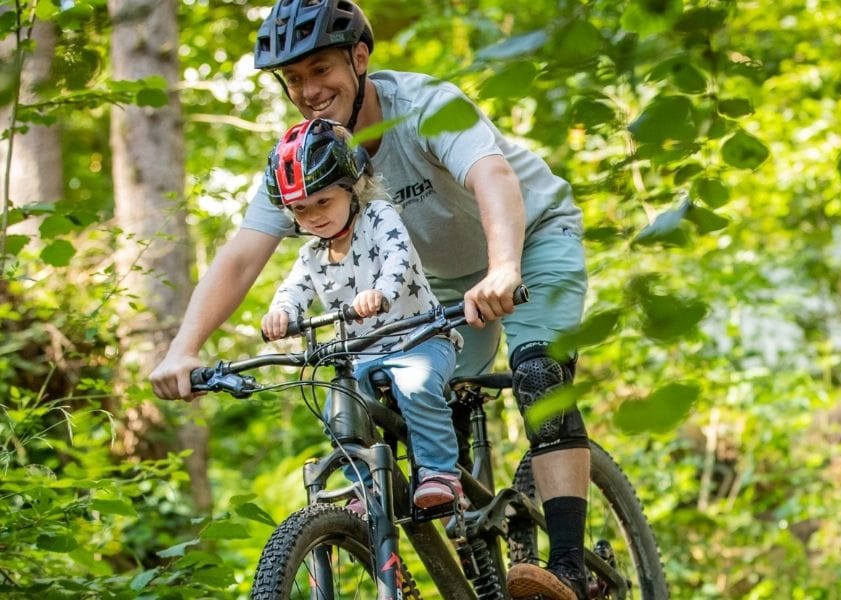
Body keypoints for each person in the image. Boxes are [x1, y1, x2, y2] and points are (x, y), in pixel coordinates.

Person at [150, 1, 591, 598]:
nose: (308, 90)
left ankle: (569, 568)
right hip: (430, 281)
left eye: (321, 69)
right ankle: (477, 540)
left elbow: (495, 177)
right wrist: (184, 348)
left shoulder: (425, 106)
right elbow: (240, 257)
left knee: (538, 375)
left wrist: (505, 268)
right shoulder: (303, 156)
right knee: (404, 391)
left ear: (359, 59)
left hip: (529, 240)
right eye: (293, 79)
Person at [260, 118, 464, 510]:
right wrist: (281, 312)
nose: (315, 216)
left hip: (419, 338)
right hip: (363, 355)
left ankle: (440, 473)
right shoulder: (311, 254)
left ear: (354, 189)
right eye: (301, 210)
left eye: (324, 201)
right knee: (339, 407)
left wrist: (381, 293)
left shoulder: (378, 217)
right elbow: (293, 289)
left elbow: (398, 259)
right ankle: (367, 485)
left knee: (417, 385)